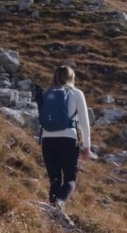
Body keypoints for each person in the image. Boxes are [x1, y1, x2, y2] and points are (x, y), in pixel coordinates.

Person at [38, 64, 94, 210]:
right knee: (70, 179)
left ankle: (53, 211)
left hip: (47, 139)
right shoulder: (76, 93)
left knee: (54, 179)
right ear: (71, 77)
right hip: (68, 139)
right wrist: (87, 146)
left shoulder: (46, 94)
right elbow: (84, 122)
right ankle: (60, 203)